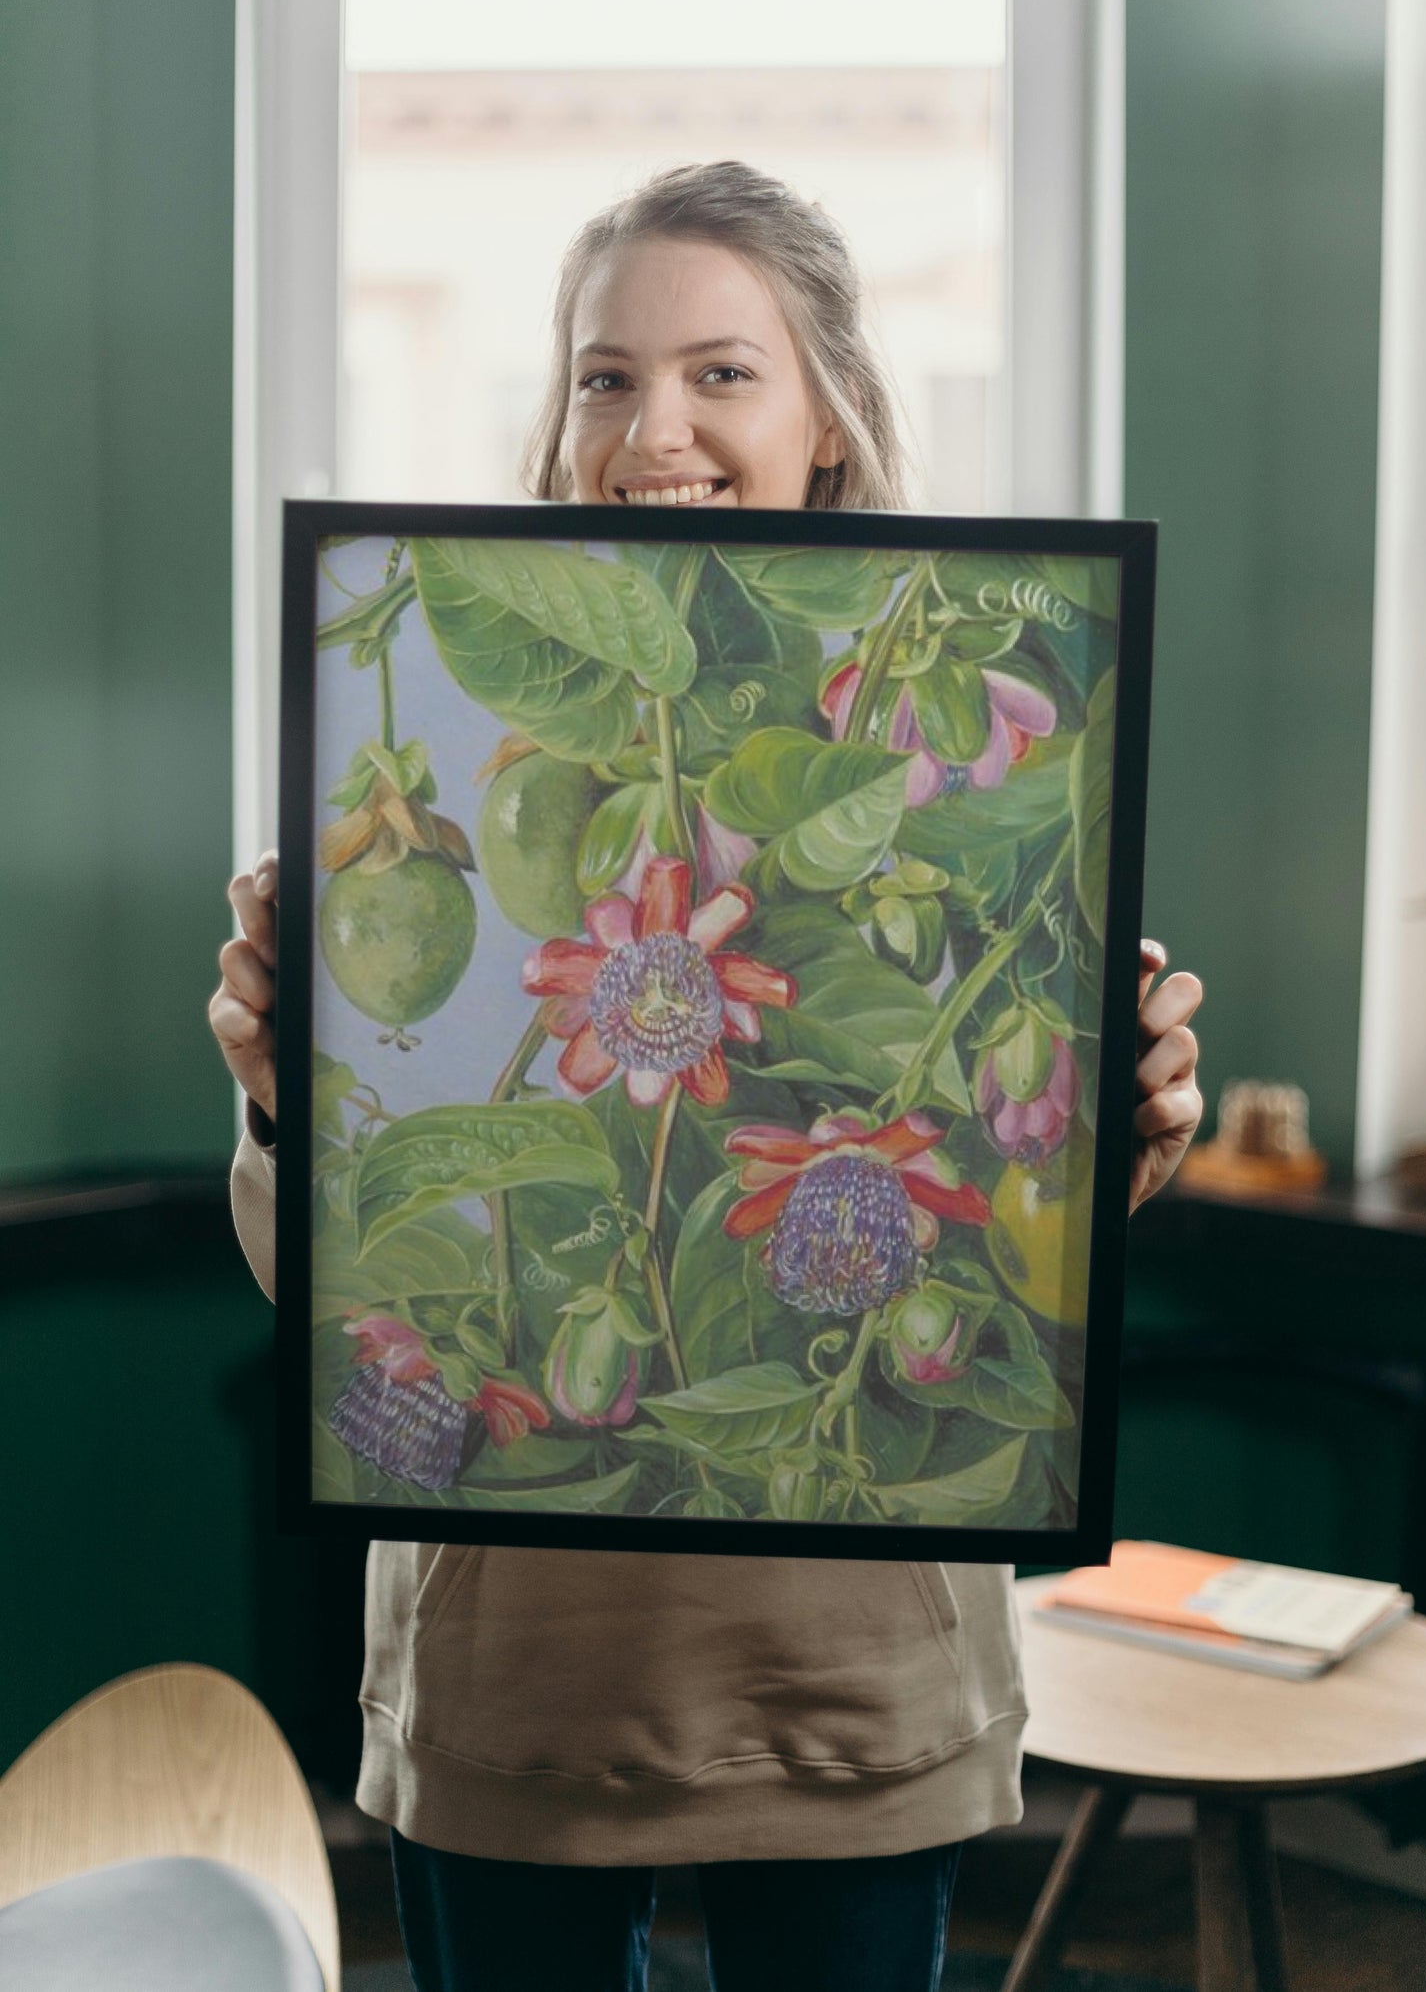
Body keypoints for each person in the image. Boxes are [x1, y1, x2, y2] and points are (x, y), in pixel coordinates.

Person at [210, 161, 1204, 1992]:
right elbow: (340, 1290)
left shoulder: (958, 744)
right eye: (603, 375)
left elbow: (1012, 1250)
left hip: (849, 1669)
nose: (649, 426)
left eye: (719, 373)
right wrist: (285, 1101)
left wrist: (1119, 1119)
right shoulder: (417, 755)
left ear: (827, 415)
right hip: (518, 1668)